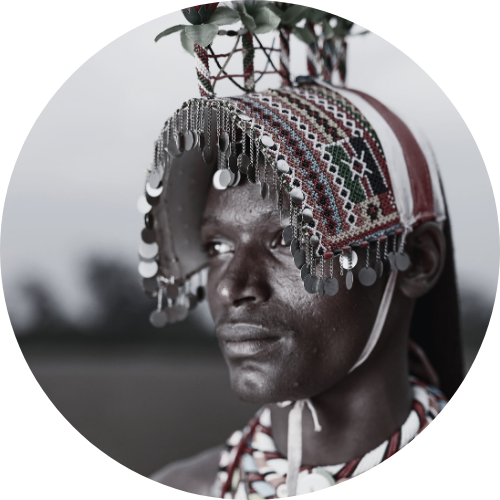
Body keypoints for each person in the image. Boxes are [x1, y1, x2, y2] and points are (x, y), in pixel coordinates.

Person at [139, 4, 464, 496]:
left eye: (289, 241)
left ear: (418, 261)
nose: (231, 287)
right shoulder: (189, 485)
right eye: (217, 245)